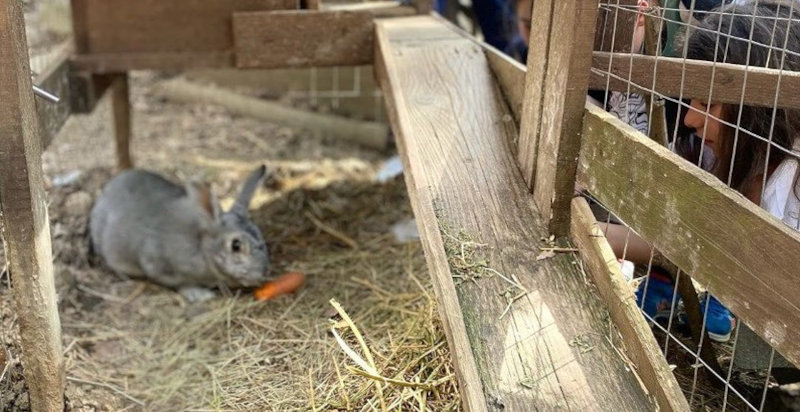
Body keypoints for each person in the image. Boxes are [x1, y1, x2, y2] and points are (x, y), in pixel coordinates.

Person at [613, 0, 800, 345]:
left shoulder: (788, 185)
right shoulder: (733, 159)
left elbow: (699, 242)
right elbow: (691, 235)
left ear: (757, 110)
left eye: (708, 105)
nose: (689, 119)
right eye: (693, 102)